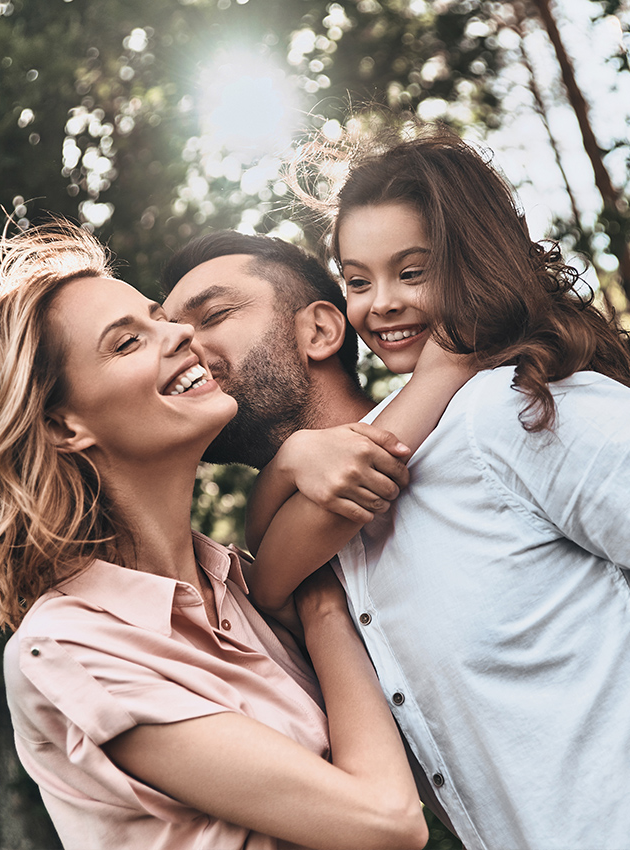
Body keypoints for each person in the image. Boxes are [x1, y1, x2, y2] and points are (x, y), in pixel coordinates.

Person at [162, 126, 630, 850]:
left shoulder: (510, 409)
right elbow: (273, 571)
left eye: (213, 316)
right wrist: (294, 464)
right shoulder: (310, 559)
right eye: (359, 280)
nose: (182, 349)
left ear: (321, 330)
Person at [0, 220, 430, 850]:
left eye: (156, 318)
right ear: (64, 427)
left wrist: (290, 462)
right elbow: (386, 822)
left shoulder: (242, 588)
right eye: (125, 343)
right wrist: (320, 597)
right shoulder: (71, 648)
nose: (178, 334)